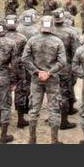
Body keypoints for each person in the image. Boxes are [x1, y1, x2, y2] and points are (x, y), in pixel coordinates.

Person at [21, 14, 67, 144]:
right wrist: (49, 72)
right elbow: (62, 62)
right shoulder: (58, 41)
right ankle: (54, 140)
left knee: (34, 109)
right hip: (52, 79)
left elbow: (25, 58)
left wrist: (37, 71)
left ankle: (32, 138)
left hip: (36, 79)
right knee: (54, 109)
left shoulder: (32, 40)